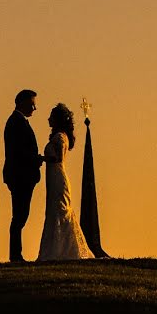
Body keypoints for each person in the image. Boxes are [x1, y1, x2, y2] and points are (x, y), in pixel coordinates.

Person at [37, 103, 93, 261]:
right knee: (55, 211)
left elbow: (58, 158)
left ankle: (60, 250)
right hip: (54, 178)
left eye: (51, 116)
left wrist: (41, 158)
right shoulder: (60, 136)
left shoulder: (60, 137)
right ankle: (58, 248)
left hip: (58, 178)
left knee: (59, 211)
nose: (48, 119)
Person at [3, 89, 44, 262]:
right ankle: (15, 254)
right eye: (32, 104)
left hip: (22, 175)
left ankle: (16, 253)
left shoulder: (19, 122)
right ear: (22, 103)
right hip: (20, 176)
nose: (34, 108)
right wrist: (38, 158)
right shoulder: (15, 123)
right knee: (19, 216)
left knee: (21, 215)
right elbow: (18, 151)